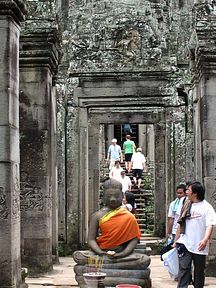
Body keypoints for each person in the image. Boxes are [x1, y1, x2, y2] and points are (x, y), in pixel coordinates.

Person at [173, 181, 216, 288]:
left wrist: (205, 240)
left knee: (199, 272)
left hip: (199, 245)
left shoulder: (207, 208)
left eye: (189, 190)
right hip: (185, 243)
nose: (186, 192)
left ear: (195, 194)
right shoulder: (186, 204)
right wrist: (175, 241)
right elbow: (180, 223)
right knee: (184, 269)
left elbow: (210, 225)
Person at [88, 179, 141, 257]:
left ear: (122, 196)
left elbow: (134, 239)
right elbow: (91, 240)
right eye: (109, 196)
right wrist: (100, 253)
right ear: (103, 197)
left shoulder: (129, 216)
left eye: (116, 196)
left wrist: (123, 253)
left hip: (122, 252)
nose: (113, 199)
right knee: (79, 256)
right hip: (101, 251)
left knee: (144, 260)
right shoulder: (97, 216)